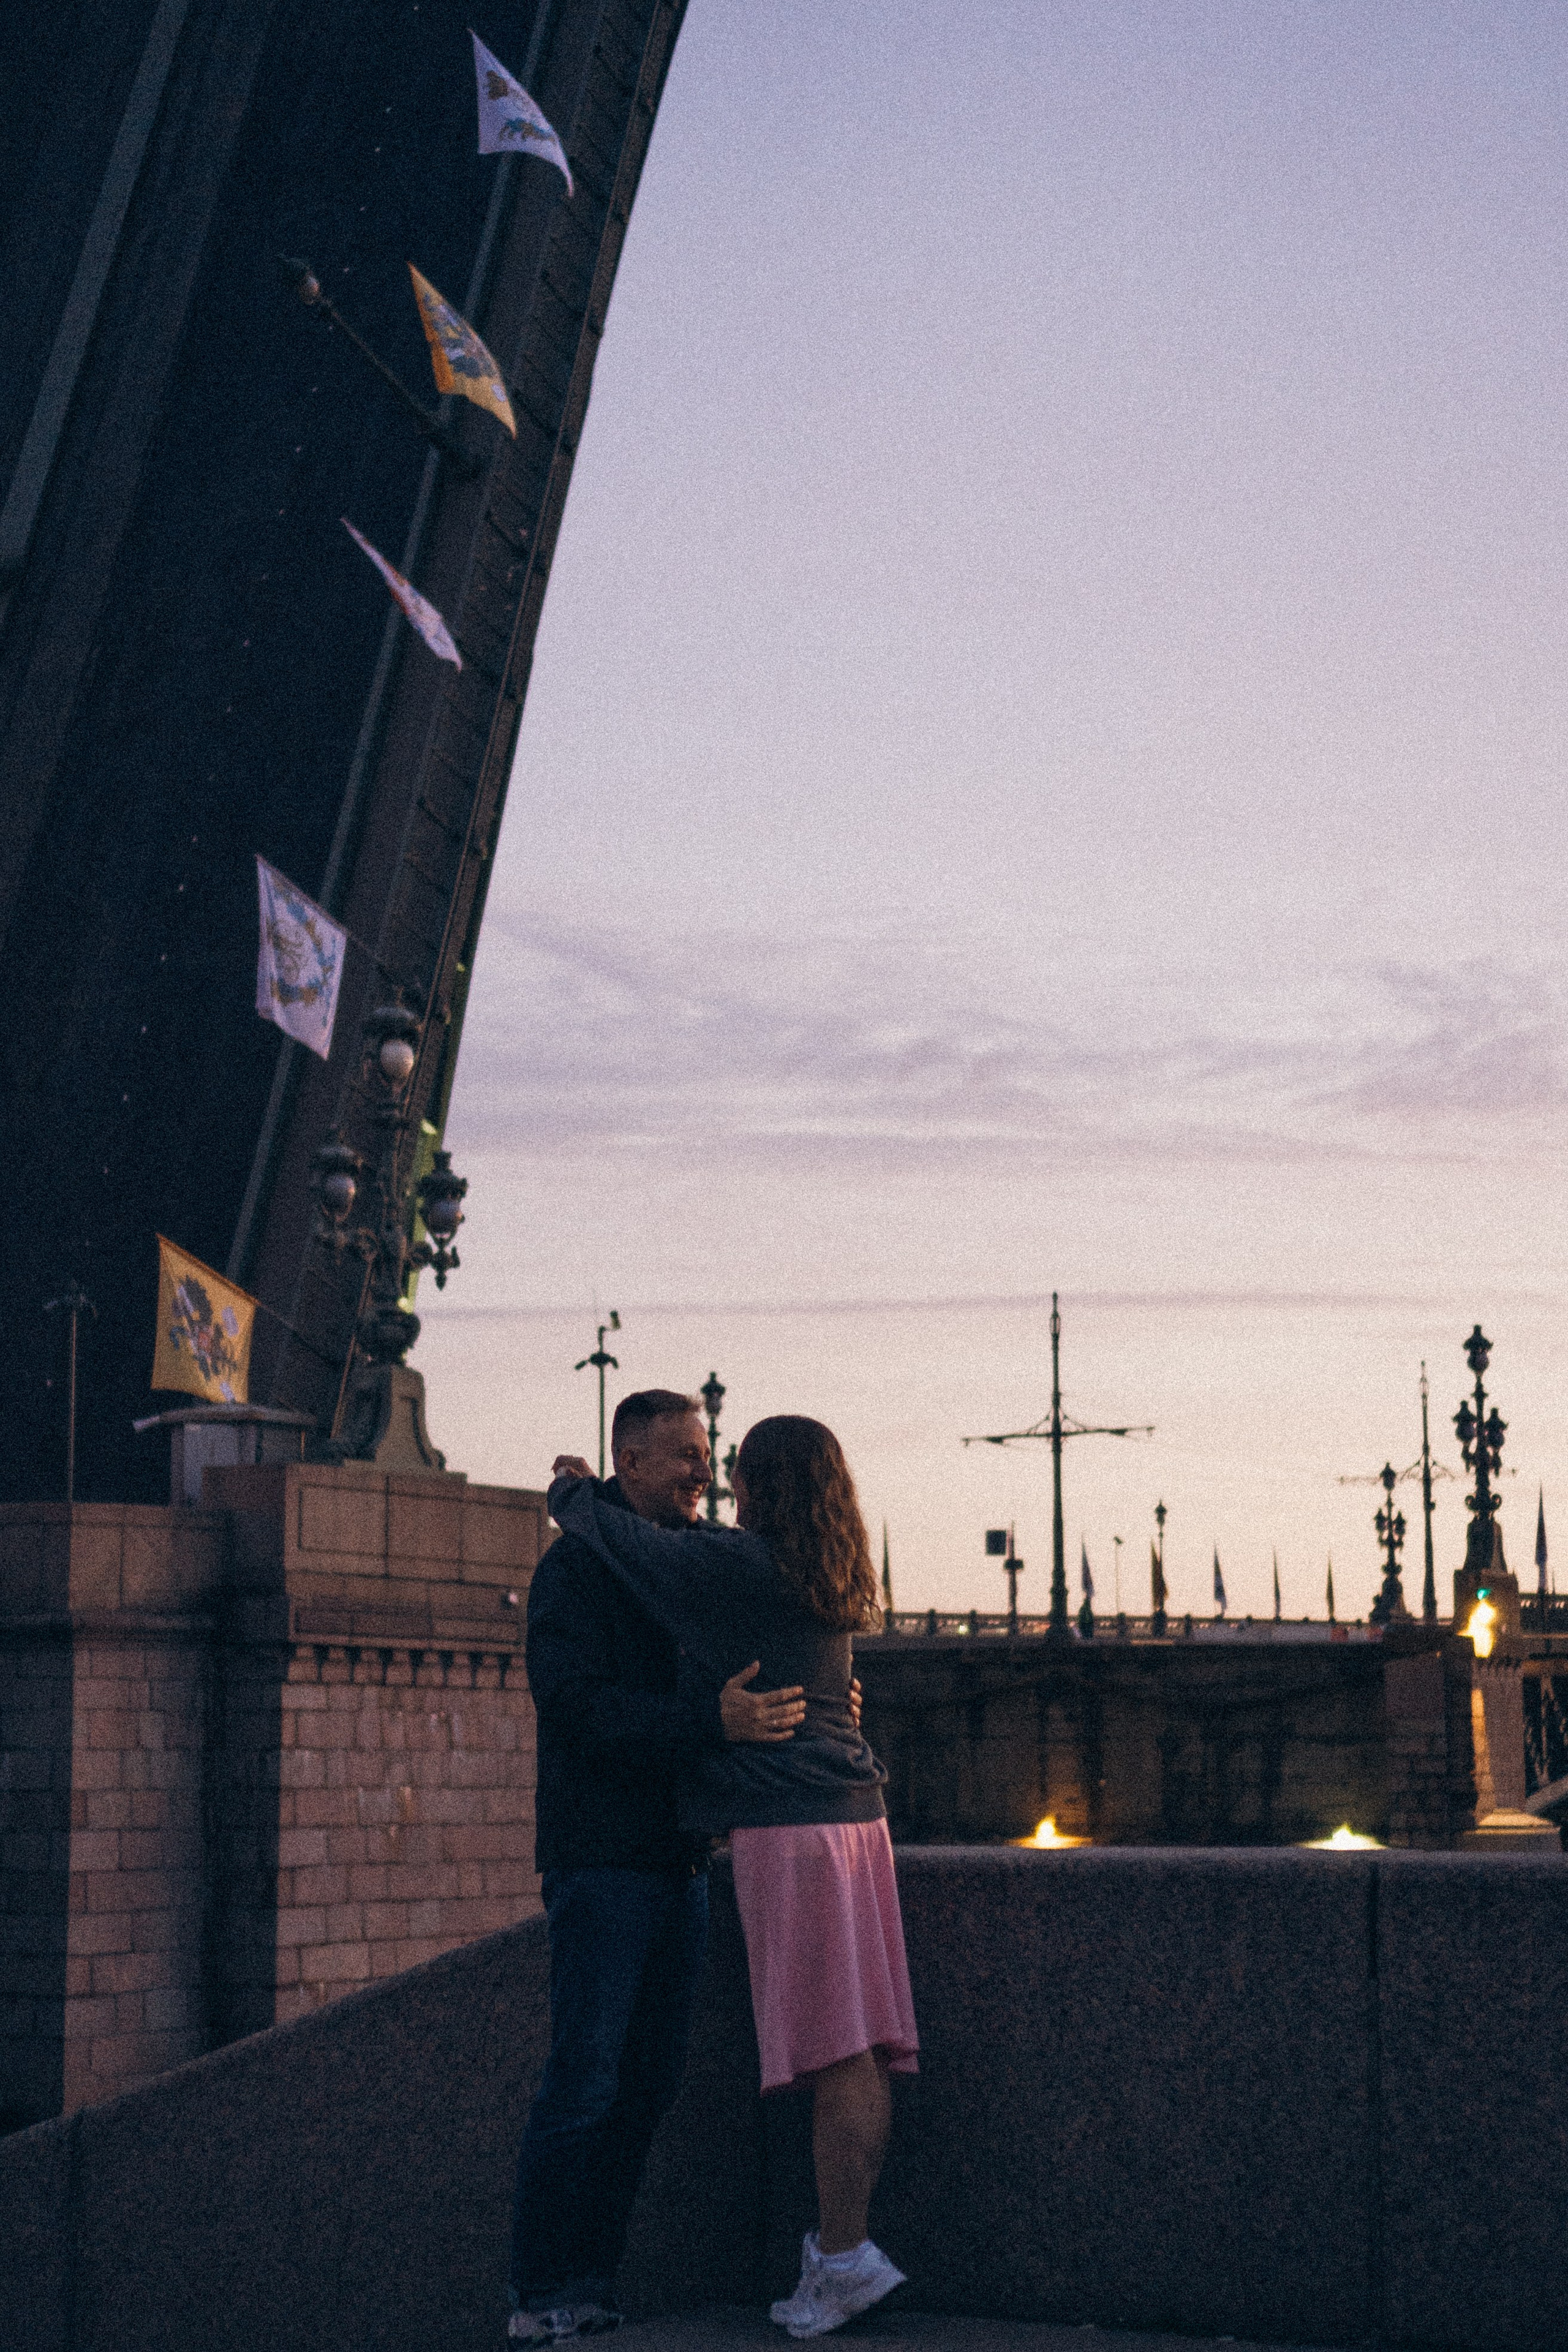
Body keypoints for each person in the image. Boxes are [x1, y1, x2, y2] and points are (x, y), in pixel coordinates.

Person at [547, 1414, 918, 2342]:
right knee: (864, 2046)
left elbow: (632, 1542)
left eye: (732, 1470)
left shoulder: (742, 1570)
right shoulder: (825, 1569)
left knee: (836, 2049)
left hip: (792, 1830)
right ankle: (845, 2250)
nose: (718, 1484)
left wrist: (572, 1491)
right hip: (858, 1823)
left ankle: (841, 2262)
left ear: (766, 1485)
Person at [511, 1389, 811, 2343]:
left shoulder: (686, 1568)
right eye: (683, 1454)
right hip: (601, 1864)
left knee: (646, 2086)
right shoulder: (572, 1575)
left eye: (706, 1453)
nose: (703, 1472)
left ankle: (591, 2284)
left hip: (678, 1864)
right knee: (585, 2081)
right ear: (627, 1464)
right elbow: (577, 1710)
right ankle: (541, 2295)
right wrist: (705, 1722)